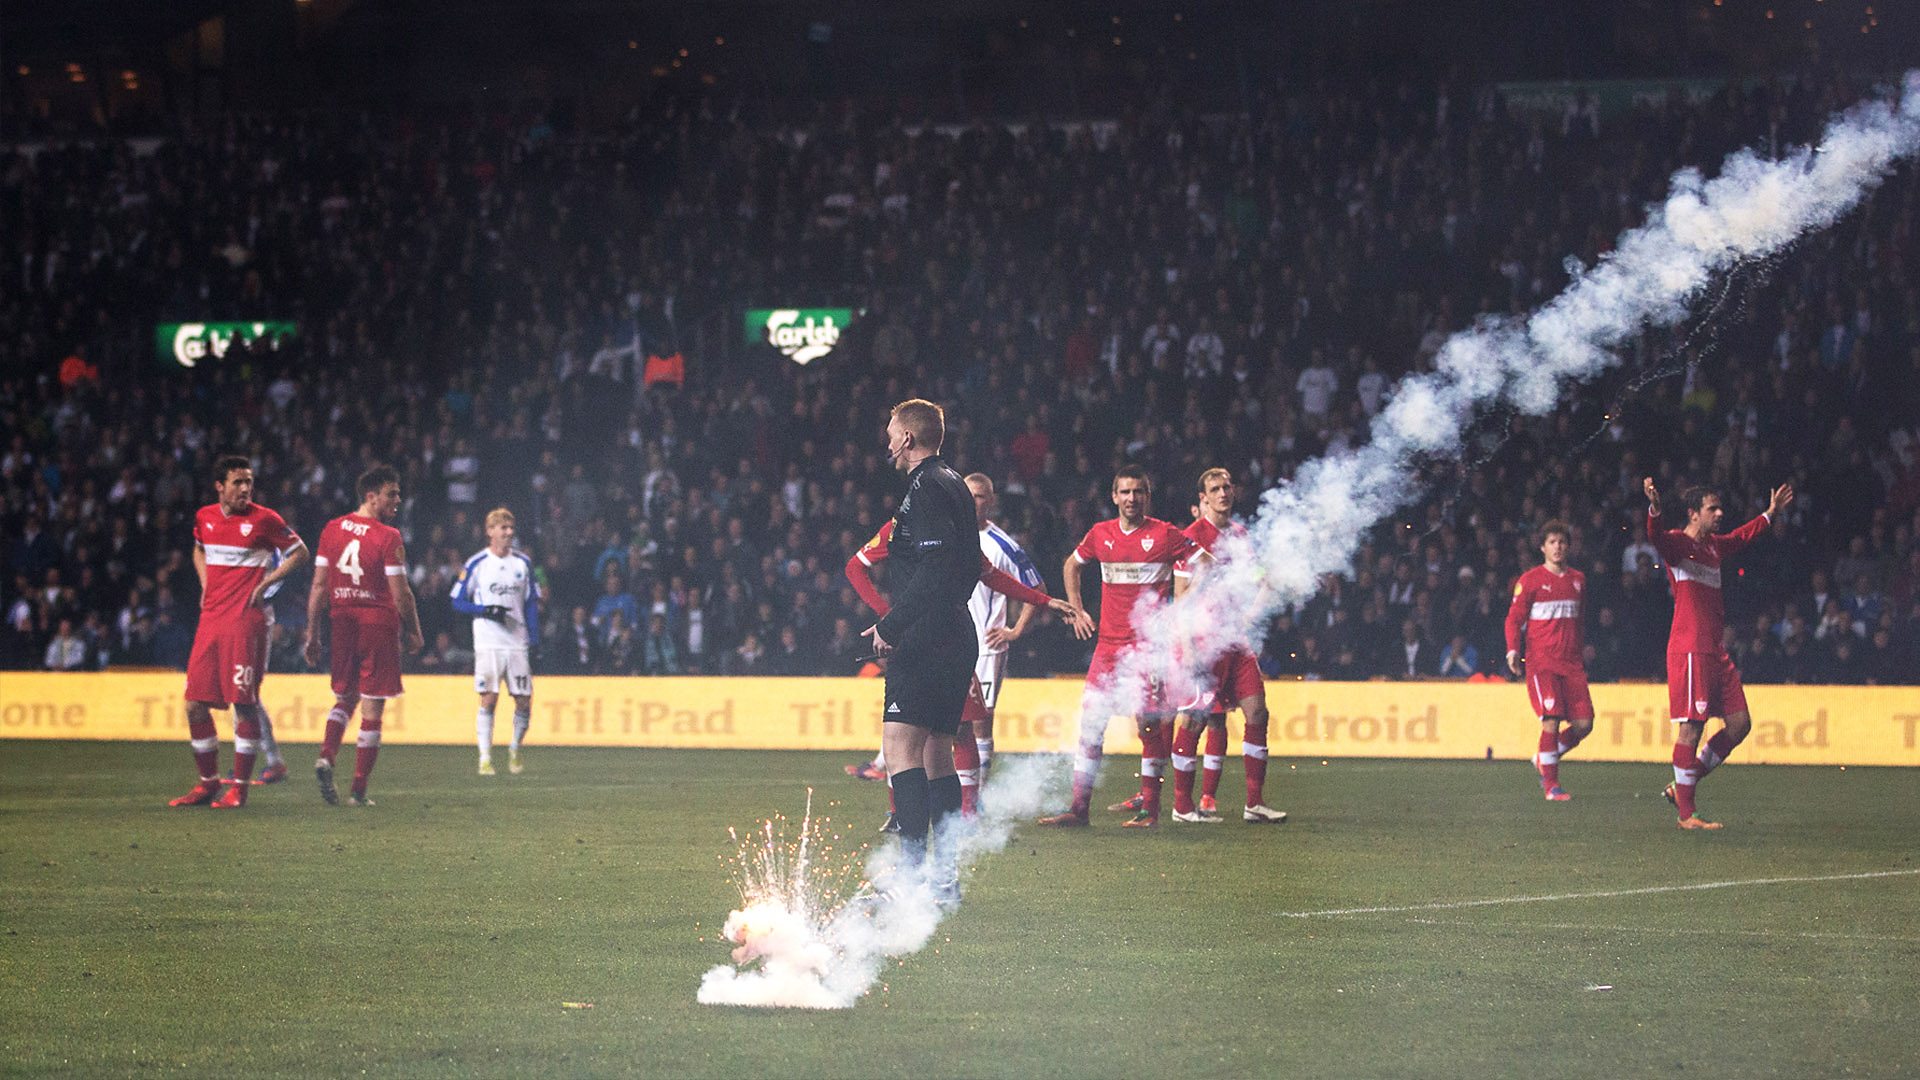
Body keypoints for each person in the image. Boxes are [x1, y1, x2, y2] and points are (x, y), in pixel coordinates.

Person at [843, 487, 1081, 821]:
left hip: (954, 645)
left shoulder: (962, 537)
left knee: (958, 731)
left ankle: (962, 818)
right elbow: (855, 567)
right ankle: (903, 818)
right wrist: (888, 618)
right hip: (916, 646)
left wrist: (1043, 601)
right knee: (904, 738)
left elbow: (992, 576)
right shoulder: (901, 527)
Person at [860, 399, 980, 900]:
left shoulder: (926, 487)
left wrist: (893, 624)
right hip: (955, 630)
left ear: (908, 438)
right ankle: (944, 879)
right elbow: (966, 564)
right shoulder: (953, 483)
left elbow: (934, 567)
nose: (887, 441)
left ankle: (908, 882)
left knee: (900, 749)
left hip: (928, 635)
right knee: (936, 754)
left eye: (891, 432)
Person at [1039, 465, 1196, 829]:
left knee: (1148, 727)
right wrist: (1077, 610)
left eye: (1138, 492)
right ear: (1114, 496)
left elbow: (1201, 562)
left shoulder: (1165, 534)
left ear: (1147, 496)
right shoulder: (1101, 534)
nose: (1131, 498)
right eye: (1125, 492)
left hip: (1147, 650)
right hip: (1108, 648)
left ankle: (1149, 811)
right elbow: (1071, 565)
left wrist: (1182, 606)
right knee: (1091, 726)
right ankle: (1079, 809)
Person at [1642, 477, 1795, 829]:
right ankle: (1687, 814)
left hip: (1714, 650)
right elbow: (1656, 537)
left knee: (1740, 724)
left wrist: (1770, 514)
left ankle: (1682, 785)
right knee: (1691, 730)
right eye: (1713, 508)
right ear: (1694, 514)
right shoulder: (1678, 544)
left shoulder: (1713, 547)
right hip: (1690, 648)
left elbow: (1741, 537)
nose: (1720, 513)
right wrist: (1655, 509)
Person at [170, 455, 308, 809]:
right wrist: (205, 583)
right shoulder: (205, 517)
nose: (245, 488)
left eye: (249, 481)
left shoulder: (265, 519)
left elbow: (300, 553)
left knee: (244, 703)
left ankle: (240, 789)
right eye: (237, 482)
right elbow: (199, 549)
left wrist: (266, 583)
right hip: (212, 619)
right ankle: (208, 784)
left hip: (246, 621)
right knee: (194, 704)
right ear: (220, 486)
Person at [1166, 468, 1288, 824]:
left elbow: (1258, 578)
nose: (1222, 493)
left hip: (1235, 641)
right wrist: (1188, 649)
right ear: (1203, 498)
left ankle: (1254, 803)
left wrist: (1252, 611)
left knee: (1258, 712)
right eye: (1215, 488)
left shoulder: (1240, 536)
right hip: (1204, 642)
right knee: (1195, 721)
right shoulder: (1190, 539)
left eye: (1227, 487)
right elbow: (1180, 599)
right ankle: (1182, 806)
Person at [304, 465, 424, 807]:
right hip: (377, 624)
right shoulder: (388, 536)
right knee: (372, 707)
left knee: (345, 697)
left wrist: (312, 633)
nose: (397, 500)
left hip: (341, 621)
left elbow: (318, 586)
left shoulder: (331, 529)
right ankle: (358, 791)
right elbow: (401, 593)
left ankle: (326, 755)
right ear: (371, 497)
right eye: (391, 494)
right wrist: (414, 630)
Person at [1503, 520, 1592, 802]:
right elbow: (1513, 620)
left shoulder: (1578, 580)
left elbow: (1579, 621)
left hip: (1572, 664)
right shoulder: (1530, 580)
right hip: (1542, 664)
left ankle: (1544, 757)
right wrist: (1512, 650)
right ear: (1542, 547)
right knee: (1551, 719)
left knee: (1584, 724)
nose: (1558, 547)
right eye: (1552, 542)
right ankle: (1551, 786)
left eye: (1562, 542)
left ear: (1569, 546)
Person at [450, 507, 541, 776]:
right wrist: (485, 610)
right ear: (490, 531)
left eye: (511, 528)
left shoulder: (523, 563)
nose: (509, 532)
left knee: (523, 700)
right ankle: (485, 757)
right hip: (488, 641)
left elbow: (531, 603)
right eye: (503, 528)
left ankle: (514, 749)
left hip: (517, 641)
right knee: (489, 699)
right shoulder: (477, 563)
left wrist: (534, 638)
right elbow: (456, 601)